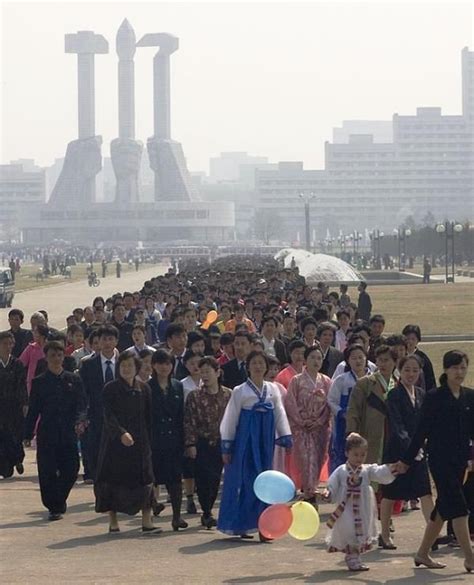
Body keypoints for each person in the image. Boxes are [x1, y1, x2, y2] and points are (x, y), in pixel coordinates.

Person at [397, 350, 474, 572]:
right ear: (446, 370)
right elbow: (421, 432)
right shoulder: (434, 397)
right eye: (455, 367)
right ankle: (469, 558)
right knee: (459, 508)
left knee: (443, 508)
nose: (459, 372)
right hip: (440, 461)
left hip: (461, 463)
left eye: (463, 367)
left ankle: (422, 553)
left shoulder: (470, 396)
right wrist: (406, 460)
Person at [218, 350, 292, 539]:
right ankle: (243, 524)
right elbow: (230, 418)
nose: (258, 367)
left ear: (266, 367)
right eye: (254, 363)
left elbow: (279, 412)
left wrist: (284, 434)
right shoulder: (239, 391)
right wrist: (227, 444)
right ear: (248, 367)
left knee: (266, 480)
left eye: (261, 363)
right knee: (246, 480)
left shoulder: (273, 389)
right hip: (246, 440)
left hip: (265, 439)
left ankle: (265, 526)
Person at [94, 351, 160, 534]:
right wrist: (121, 433)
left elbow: (149, 418)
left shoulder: (144, 389)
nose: (126, 369)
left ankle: (147, 521)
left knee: (145, 480)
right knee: (112, 482)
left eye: (130, 365)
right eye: (123, 366)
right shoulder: (110, 389)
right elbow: (108, 416)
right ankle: (113, 521)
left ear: (136, 368)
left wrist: (150, 442)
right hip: (115, 444)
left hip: (140, 444)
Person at [24, 341, 87, 520]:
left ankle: (59, 498)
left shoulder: (73, 380)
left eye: (59, 355)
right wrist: (28, 434)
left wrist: (80, 421)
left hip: (68, 432)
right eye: (52, 355)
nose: (57, 359)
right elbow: (34, 409)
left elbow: (82, 404)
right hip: (47, 433)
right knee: (47, 471)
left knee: (72, 468)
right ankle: (53, 506)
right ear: (46, 357)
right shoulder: (39, 382)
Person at [379, 354, 433, 549]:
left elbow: (426, 423)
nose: (411, 374)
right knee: (391, 493)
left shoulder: (421, 394)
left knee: (425, 493)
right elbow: (397, 426)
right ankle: (384, 534)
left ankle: (431, 534)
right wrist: (411, 448)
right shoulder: (393, 395)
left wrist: (423, 445)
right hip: (398, 452)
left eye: (415, 370)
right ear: (399, 372)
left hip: (418, 452)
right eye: (407, 370)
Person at [324, 433, 396, 572]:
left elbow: (380, 472)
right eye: (355, 454)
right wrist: (329, 492)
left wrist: (392, 469)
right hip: (346, 509)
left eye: (362, 455)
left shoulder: (366, 470)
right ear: (347, 453)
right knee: (349, 530)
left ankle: (354, 557)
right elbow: (332, 484)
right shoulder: (341, 471)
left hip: (363, 507)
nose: (359, 458)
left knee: (361, 530)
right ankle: (352, 558)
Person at [184, 356, 231, 528]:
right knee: (203, 479)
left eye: (208, 371)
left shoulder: (228, 394)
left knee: (215, 479)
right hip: (202, 443)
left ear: (217, 372)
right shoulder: (194, 396)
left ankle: (208, 509)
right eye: (201, 372)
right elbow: (189, 421)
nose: (204, 375)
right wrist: (190, 444)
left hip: (221, 443)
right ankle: (206, 512)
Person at [285, 344, 331, 502]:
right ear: (305, 360)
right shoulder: (296, 381)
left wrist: (319, 421)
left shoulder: (326, 381)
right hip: (302, 428)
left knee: (318, 459)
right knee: (305, 460)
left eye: (319, 358)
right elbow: (290, 402)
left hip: (320, 428)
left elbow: (329, 405)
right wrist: (300, 421)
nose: (316, 361)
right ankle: (308, 492)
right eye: (312, 357)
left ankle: (313, 489)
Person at [149, 349, 188, 531]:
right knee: (151, 478)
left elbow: (181, 414)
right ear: (153, 365)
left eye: (168, 363)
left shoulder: (177, 386)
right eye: (160, 363)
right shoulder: (147, 387)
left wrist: (186, 440)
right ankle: (153, 504)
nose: (164, 367)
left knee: (175, 480)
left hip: (174, 439)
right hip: (154, 439)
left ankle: (176, 517)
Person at [346, 345, 398, 464]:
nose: (383, 364)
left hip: (393, 434)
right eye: (380, 360)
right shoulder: (365, 383)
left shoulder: (398, 383)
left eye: (386, 360)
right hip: (371, 433)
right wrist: (352, 432)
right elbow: (353, 410)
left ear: (395, 362)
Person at [79, 325, 119, 482]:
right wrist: (83, 416)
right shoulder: (88, 365)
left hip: (119, 417)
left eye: (111, 339)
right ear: (98, 342)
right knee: (97, 454)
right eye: (104, 339)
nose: (107, 343)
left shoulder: (125, 363)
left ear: (116, 341)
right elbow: (83, 394)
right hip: (96, 417)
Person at [328, 344, 371, 472]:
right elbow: (331, 400)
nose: (358, 361)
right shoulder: (341, 380)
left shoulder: (373, 379)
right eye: (353, 358)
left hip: (369, 423)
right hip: (344, 425)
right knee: (343, 452)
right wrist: (341, 413)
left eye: (360, 357)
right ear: (347, 361)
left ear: (366, 359)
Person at [0, 331, 28, 478]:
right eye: (5, 344)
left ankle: (17, 459)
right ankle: (4, 466)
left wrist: (24, 403)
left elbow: (22, 385)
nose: (8, 347)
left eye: (10, 344)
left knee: (15, 435)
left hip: (14, 406)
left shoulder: (17, 364)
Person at [402, 324, 436, 391]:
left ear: (418, 340)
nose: (410, 341)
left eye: (413, 339)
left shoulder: (423, 358)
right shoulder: (400, 356)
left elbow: (430, 381)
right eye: (407, 338)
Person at [19, 323, 49, 394]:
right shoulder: (31, 348)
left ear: (42, 335)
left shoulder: (50, 348)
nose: (33, 334)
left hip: (48, 380)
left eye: (35, 332)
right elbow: (20, 363)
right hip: (32, 382)